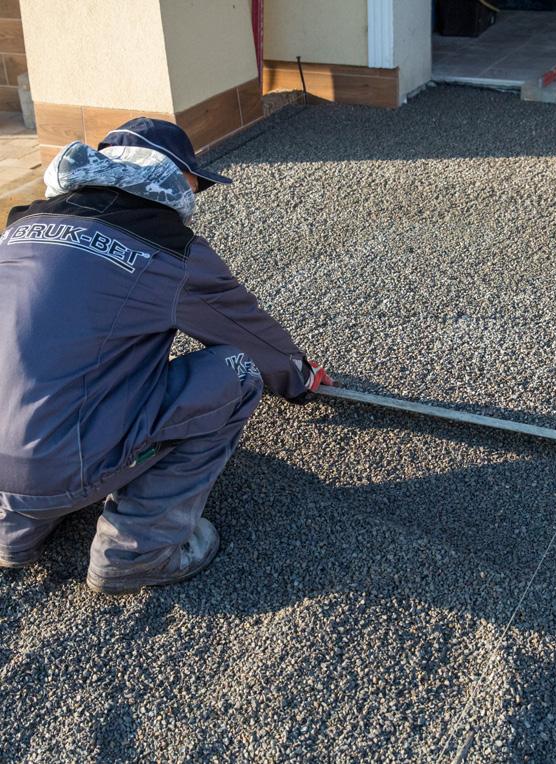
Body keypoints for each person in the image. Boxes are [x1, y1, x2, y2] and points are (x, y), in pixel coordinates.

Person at [0, 118, 332, 594]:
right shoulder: (167, 249)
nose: (198, 196)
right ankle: (135, 550)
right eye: (196, 182)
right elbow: (247, 333)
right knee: (235, 374)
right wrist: (298, 377)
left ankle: (13, 529)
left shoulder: (20, 227)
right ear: (172, 176)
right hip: (62, 464)